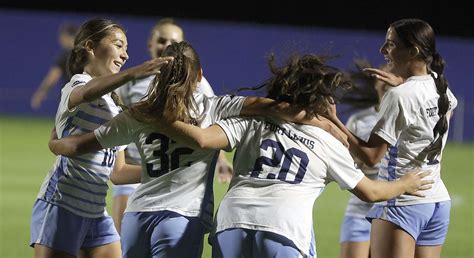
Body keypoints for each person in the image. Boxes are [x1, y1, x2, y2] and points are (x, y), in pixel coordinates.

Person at [48, 41, 349, 258]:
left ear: (158, 75)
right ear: (201, 75)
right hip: (182, 218)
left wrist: (54, 141)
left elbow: (76, 145)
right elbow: (274, 107)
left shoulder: (138, 112)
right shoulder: (215, 107)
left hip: (136, 216)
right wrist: (326, 123)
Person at [146, 53, 433, 258]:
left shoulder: (251, 121)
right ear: (320, 98)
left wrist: (153, 117)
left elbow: (203, 139)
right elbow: (370, 192)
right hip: (284, 227)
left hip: (231, 222)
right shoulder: (326, 140)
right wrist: (404, 184)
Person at [30, 18, 171, 258]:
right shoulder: (77, 84)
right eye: (118, 45)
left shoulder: (115, 106)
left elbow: (118, 173)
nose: (125, 55)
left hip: (96, 211)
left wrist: (166, 168)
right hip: (63, 205)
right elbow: (86, 92)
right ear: (90, 47)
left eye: (126, 49)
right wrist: (132, 74)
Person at [326, 19, 457, 258]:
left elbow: (372, 157)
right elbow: (441, 114)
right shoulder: (440, 86)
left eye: (390, 45)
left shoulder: (400, 96)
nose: (382, 51)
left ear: (413, 51)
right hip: (437, 201)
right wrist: (407, 85)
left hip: (402, 203)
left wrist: (334, 123)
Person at [111, 17, 229, 234]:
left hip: (176, 170)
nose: (166, 45)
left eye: (172, 41)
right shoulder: (132, 80)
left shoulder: (197, 81)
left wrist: (221, 159)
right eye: (161, 40)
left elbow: (212, 118)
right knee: (122, 241)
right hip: (135, 169)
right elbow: (116, 117)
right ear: (150, 44)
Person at [338, 60, 391, 258]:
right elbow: (346, 160)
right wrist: (355, 162)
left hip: (393, 210)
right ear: (376, 82)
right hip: (360, 208)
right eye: (382, 76)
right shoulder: (359, 120)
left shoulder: (408, 118)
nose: (386, 80)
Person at [30, 23, 79, 110]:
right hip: (87, 96)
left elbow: (53, 76)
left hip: (70, 96)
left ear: (66, 36)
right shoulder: (87, 53)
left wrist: (41, 92)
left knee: (66, 123)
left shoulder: (65, 54)